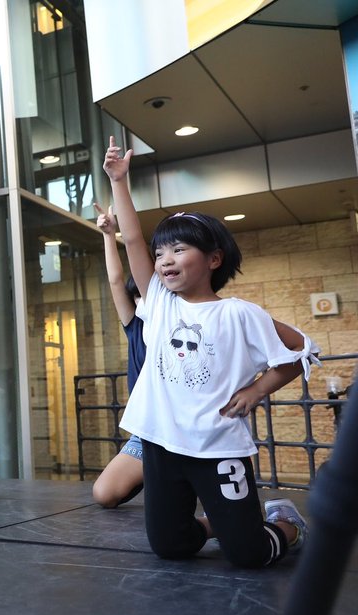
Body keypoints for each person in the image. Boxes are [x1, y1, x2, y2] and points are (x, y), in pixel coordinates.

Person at [106, 135, 318, 568]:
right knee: (171, 545)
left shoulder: (239, 313)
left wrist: (257, 390)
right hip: (163, 444)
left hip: (218, 447)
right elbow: (133, 240)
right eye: (160, 252)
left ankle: (287, 525)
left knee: (249, 555)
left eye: (179, 249)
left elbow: (299, 350)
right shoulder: (160, 303)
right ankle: (218, 524)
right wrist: (119, 182)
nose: (165, 259)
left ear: (214, 259)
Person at [91, 203, 146, 508]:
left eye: (145, 294)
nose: (140, 301)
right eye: (135, 296)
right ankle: (151, 474)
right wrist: (109, 236)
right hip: (146, 433)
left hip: (183, 434)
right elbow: (115, 280)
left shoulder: (178, 327)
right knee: (104, 494)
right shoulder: (135, 325)